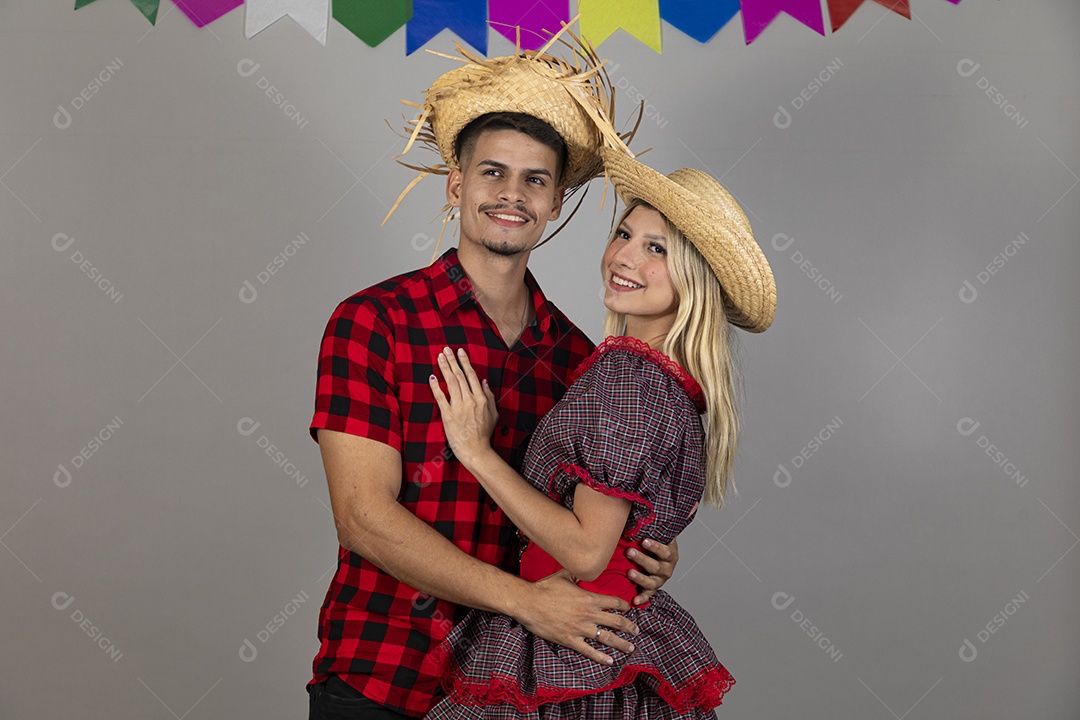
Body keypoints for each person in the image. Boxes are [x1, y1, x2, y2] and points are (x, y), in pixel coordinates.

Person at [306, 37, 681, 720]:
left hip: (518, 694)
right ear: (457, 185)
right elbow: (363, 517)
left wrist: (644, 551)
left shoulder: (580, 360)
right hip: (382, 674)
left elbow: (583, 524)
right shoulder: (374, 322)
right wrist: (523, 600)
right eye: (492, 173)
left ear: (559, 200)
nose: (512, 195)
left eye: (535, 180)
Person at [423, 145, 777, 719]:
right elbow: (619, 529)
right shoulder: (660, 378)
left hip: (573, 635)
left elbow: (586, 553)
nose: (624, 256)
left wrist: (475, 452)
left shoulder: (629, 379)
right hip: (606, 632)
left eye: (656, 248)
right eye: (624, 233)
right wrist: (643, 552)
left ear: (695, 278)